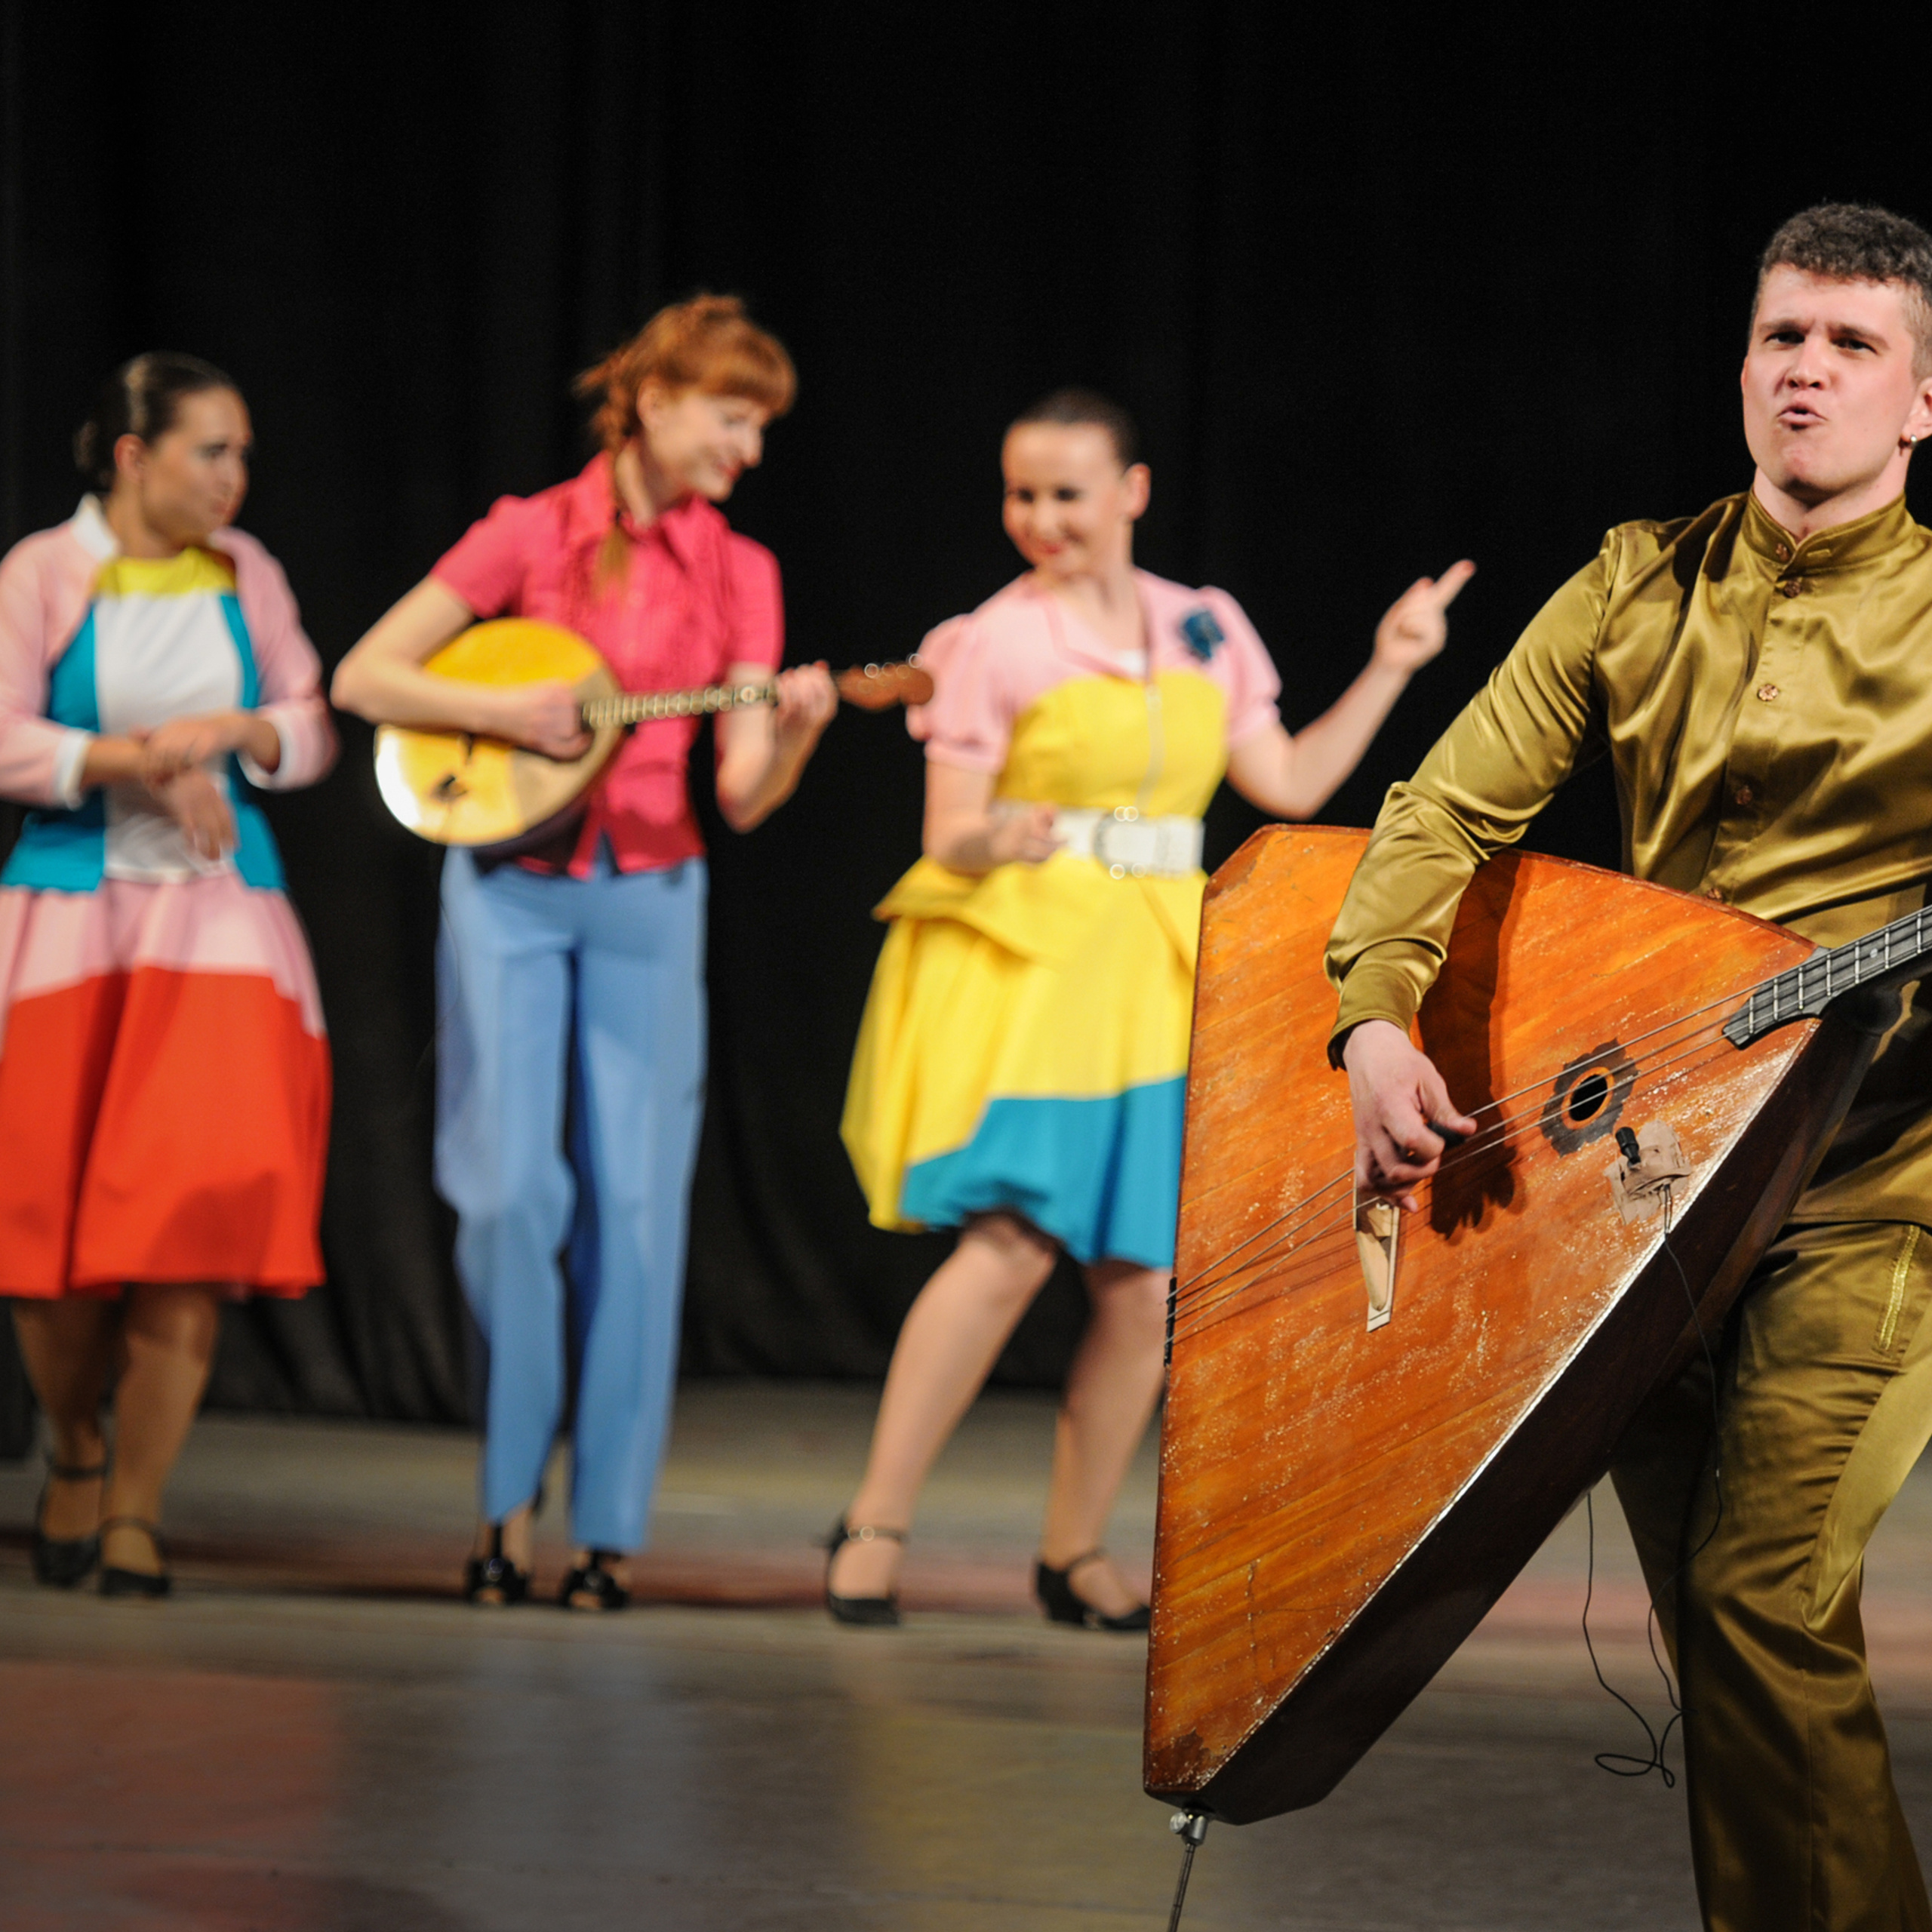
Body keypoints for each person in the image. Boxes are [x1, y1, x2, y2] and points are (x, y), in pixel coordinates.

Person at [1328, 203, 1932, 1932]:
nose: (1803, 370)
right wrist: (1373, 1013)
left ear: (1916, 406)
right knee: (1709, 1616)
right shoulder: (1631, 578)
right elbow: (1442, 807)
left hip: (1874, 1185)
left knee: (1758, 1584)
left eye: (1849, 346)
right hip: (1651, 1185)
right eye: (1779, 339)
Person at [831, 389, 1469, 1627]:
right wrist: (996, 831)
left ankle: (1073, 1550)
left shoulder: (1203, 626)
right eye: (1022, 494)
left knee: (1144, 1278)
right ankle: (876, 1519)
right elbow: (947, 833)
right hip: (1042, 957)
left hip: (1167, 964)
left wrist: (1392, 664)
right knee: (1010, 1242)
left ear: (1131, 491)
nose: (1042, 518)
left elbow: (1286, 779)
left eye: (1067, 492)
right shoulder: (990, 640)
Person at [332, 295, 835, 1611]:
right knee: (507, 1193)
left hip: (652, 891)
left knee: (636, 1207)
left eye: (761, 426)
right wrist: (504, 708)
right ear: (658, 400)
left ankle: (606, 1527)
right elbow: (366, 678)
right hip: (507, 879)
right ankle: (506, 1503)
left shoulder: (744, 572)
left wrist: (797, 731)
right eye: (735, 418)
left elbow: (739, 796)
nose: (750, 447)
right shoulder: (528, 531)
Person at [0, 352, 336, 1597]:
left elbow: (311, 723)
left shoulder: (248, 576)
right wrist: (128, 757)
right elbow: (3, 731)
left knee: (191, 1212)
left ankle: (137, 1507)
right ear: (135, 455)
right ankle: (77, 1446)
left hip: (220, 929)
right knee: (53, 1219)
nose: (236, 479)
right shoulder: (44, 571)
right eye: (213, 452)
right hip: (71, 921)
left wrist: (244, 732)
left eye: (244, 454)